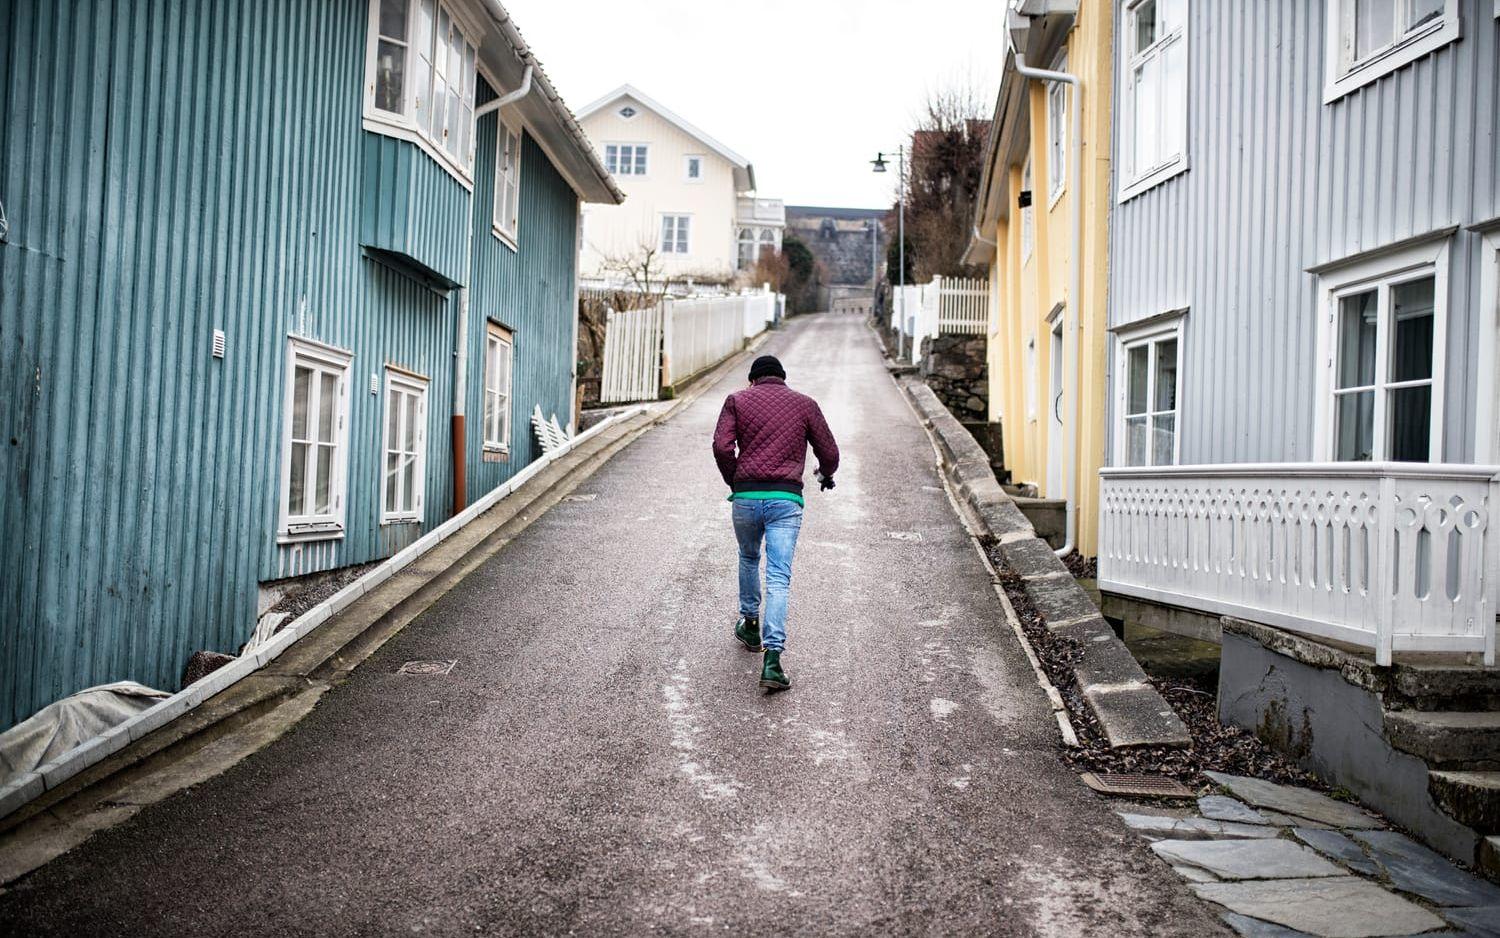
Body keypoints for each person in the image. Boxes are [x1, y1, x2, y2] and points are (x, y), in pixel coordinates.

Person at [711, 354, 840, 691]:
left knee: (749, 557)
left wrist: (735, 481)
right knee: (779, 578)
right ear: (782, 378)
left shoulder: (737, 400)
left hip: (746, 499)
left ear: (753, 379)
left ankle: (750, 623)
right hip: (786, 499)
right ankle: (773, 661)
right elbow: (830, 454)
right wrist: (825, 475)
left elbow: (722, 447)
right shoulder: (805, 404)